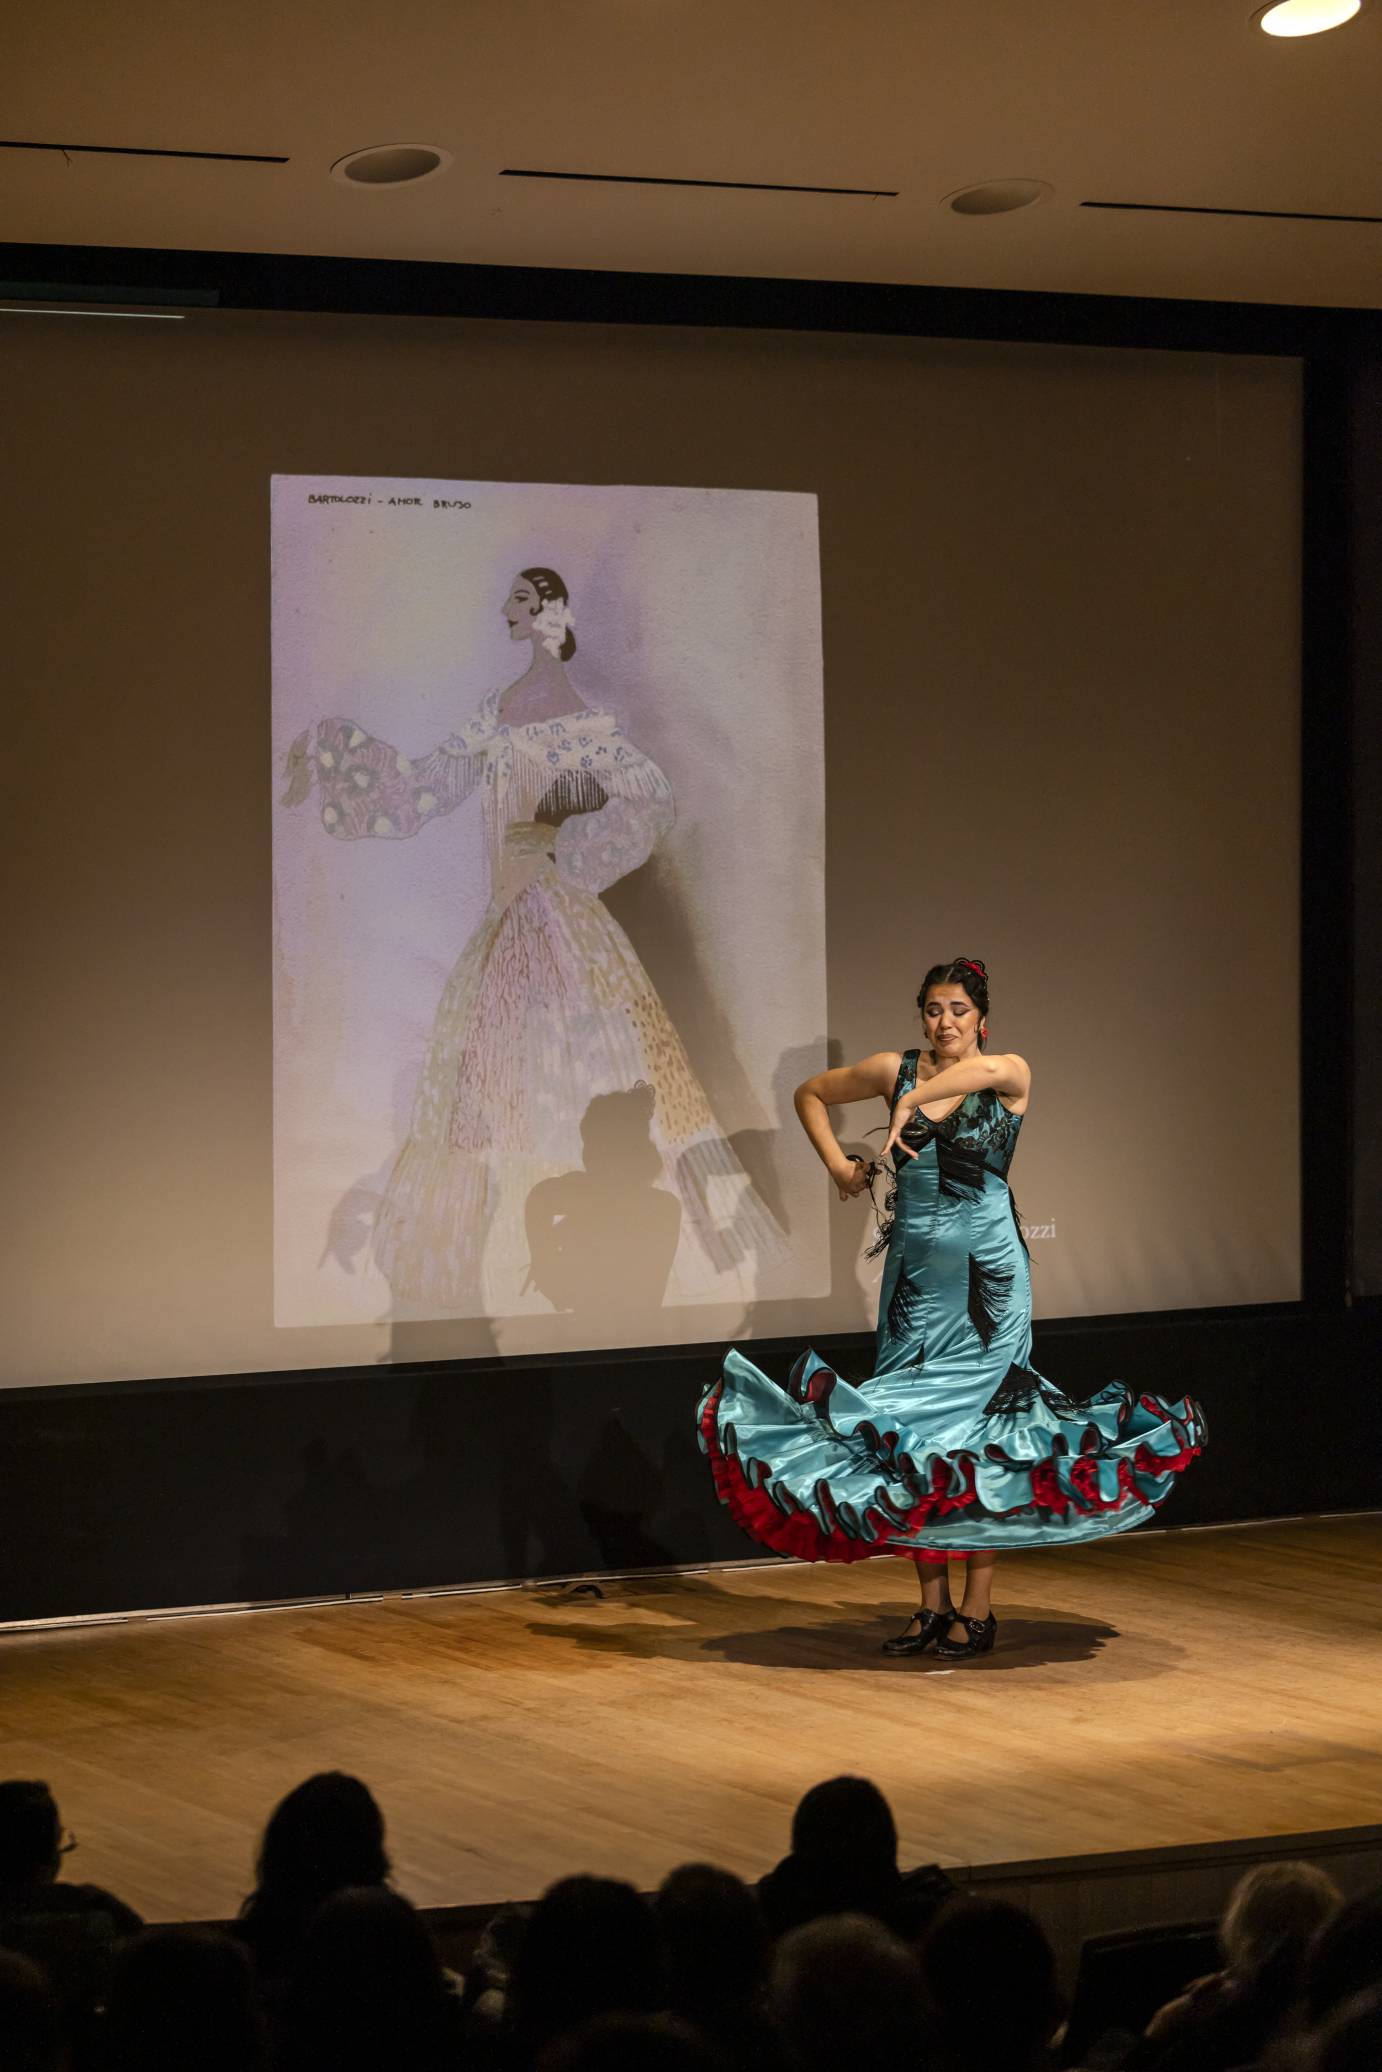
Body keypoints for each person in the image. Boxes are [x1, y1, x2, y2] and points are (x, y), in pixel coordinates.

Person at [282, 565, 781, 1315]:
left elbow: (651, 797)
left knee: (572, 1079)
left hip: (560, 922)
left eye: (520, 598)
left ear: (550, 611)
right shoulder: (498, 710)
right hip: (506, 924)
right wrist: (329, 749)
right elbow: (423, 790)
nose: (506, 609)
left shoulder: (581, 721)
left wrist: (563, 839)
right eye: (509, 597)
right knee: (489, 1094)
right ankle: (513, 1273)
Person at [698, 958, 1206, 1659]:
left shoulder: (1009, 1070)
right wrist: (842, 1169)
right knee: (907, 1429)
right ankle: (932, 1608)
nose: (945, 1022)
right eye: (934, 1010)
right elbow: (809, 1094)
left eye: (959, 1010)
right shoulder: (891, 1068)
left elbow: (976, 1078)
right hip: (913, 1276)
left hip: (988, 1280)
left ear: (981, 1019)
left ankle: (978, 1609)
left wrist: (909, 1107)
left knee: (980, 1432)